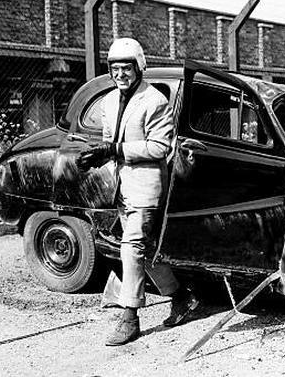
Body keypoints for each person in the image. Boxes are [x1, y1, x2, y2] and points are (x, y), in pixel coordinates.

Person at [76, 37, 198, 346]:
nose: (120, 74)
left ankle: (129, 317)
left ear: (139, 67)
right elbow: (109, 140)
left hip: (146, 186)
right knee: (146, 251)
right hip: (121, 185)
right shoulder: (108, 101)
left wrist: (114, 148)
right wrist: (100, 154)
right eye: (115, 68)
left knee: (131, 247)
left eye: (126, 68)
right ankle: (183, 298)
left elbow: (159, 147)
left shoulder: (155, 101)